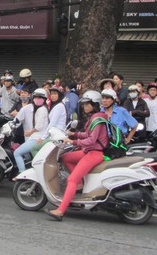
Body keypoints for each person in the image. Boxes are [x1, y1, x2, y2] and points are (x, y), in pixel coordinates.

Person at [45, 90, 109, 221]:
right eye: (84, 104)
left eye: (87, 104)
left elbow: (91, 141)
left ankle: (60, 210)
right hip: (89, 151)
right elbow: (89, 135)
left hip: (94, 153)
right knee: (65, 158)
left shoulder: (97, 118)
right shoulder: (96, 116)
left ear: (94, 104)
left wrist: (73, 141)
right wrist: (73, 134)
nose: (84, 107)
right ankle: (79, 184)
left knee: (71, 179)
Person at [13, 88, 49, 173]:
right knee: (27, 157)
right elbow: (17, 120)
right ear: (33, 97)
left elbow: (39, 126)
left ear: (44, 100)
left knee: (17, 153)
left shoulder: (42, 109)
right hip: (34, 138)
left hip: (36, 138)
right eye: (36, 97)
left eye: (40, 98)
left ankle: (23, 173)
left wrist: (30, 132)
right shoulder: (28, 108)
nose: (38, 99)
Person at [31, 86, 67, 156]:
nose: (53, 96)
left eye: (55, 94)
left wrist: (42, 138)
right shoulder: (55, 105)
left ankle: (41, 166)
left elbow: (52, 124)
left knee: (34, 149)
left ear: (59, 95)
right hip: (53, 134)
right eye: (51, 94)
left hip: (56, 136)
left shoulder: (59, 106)